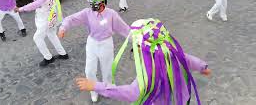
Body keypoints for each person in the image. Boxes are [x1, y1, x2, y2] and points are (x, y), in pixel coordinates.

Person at [76, 18, 211, 104]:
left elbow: (131, 93)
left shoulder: (149, 71)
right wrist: (202, 67)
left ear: (141, 47)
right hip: (181, 97)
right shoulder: (171, 52)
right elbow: (187, 59)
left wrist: (96, 86)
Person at [58, 0, 130, 102]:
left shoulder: (111, 14)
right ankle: (94, 90)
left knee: (107, 70)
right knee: (89, 70)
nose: (92, 6)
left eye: (94, 4)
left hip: (106, 44)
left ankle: (107, 89)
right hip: (92, 43)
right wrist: (63, 27)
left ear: (103, 2)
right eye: (91, 3)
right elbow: (71, 19)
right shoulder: (87, 13)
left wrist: (136, 39)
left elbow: (124, 29)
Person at [15, 0, 68, 67]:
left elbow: (37, 3)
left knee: (37, 38)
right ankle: (63, 54)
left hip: (46, 17)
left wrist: (21, 9)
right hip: (53, 15)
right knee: (51, 34)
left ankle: (48, 57)